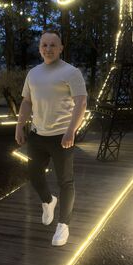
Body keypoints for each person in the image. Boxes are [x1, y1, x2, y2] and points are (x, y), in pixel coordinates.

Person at [15, 30, 87, 246]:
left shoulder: (71, 72)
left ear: (61, 48)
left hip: (62, 136)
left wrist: (71, 130)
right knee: (34, 175)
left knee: (65, 181)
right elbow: (27, 102)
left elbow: (81, 103)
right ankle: (48, 201)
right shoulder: (33, 73)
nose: (48, 49)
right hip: (37, 135)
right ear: (39, 48)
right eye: (44, 45)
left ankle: (63, 225)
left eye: (53, 45)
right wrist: (19, 127)